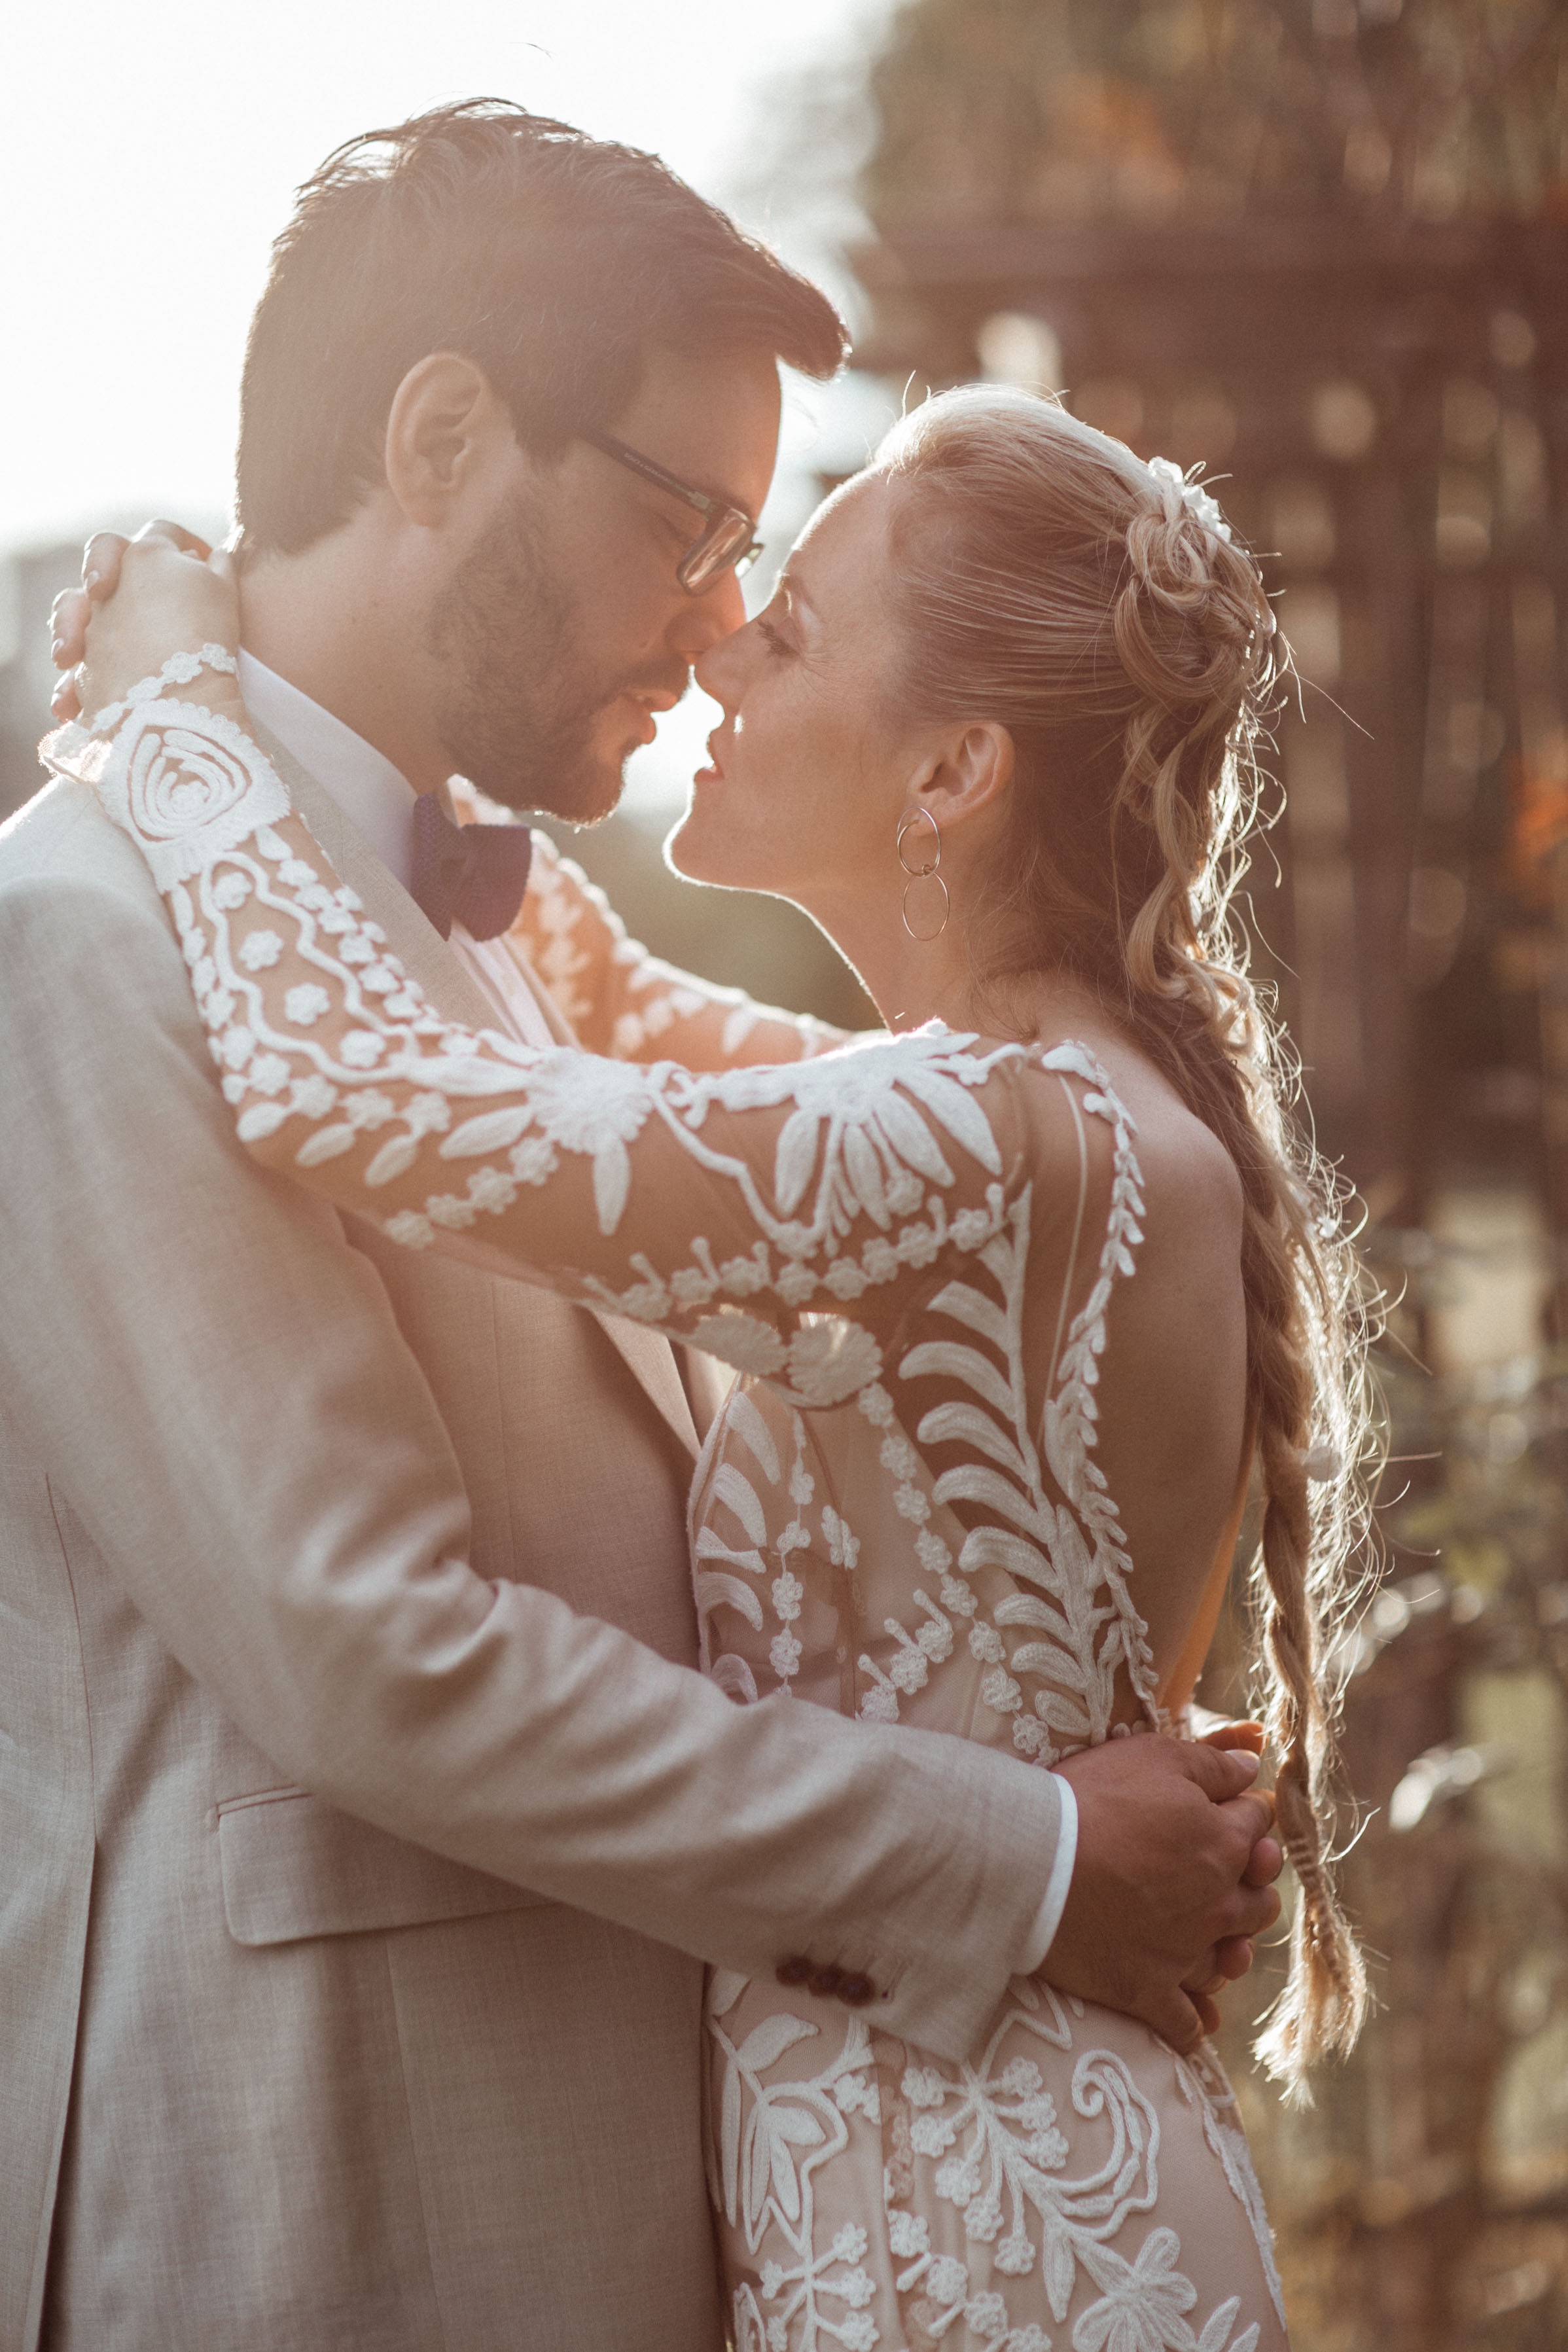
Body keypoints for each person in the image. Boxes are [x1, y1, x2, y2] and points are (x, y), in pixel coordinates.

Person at [5, 103, 1281, 2352]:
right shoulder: (88, 931)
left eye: (761, 563)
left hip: (775, 2216)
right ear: (439, 436)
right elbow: (366, 1650)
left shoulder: (498, 941)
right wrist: (1028, 1854)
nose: (715, 626)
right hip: (323, 2227)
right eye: (690, 525)